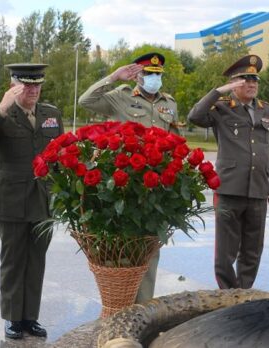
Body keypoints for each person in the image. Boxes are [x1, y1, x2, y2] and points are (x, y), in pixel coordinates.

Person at [78, 52, 180, 304]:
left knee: (150, 248)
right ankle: (120, 309)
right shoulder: (120, 97)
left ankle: (142, 312)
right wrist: (113, 77)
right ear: (137, 75)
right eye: (148, 74)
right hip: (126, 185)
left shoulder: (170, 104)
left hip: (156, 188)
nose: (154, 78)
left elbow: (176, 141)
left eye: (157, 74)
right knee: (124, 247)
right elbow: (85, 101)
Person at [0, 63, 64, 340]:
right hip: (11, 199)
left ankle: (29, 317)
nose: (33, 90)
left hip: (44, 199)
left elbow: (61, 154)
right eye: (27, 85)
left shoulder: (51, 114)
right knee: (13, 261)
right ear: (14, 86)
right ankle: (12, 317)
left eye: (37, 85)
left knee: (36, 261)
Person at [187, 54, 269, 289]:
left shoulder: (268, 112)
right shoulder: (220, 108)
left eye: (255, 80)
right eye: (245, 79)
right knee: (226, 250)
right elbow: (194, 116)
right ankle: (227, 294)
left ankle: (244, 292)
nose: (251, 84)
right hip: (230, 187)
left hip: (258, 189)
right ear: (233, 83)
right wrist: (219, 91)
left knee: (253, 247)